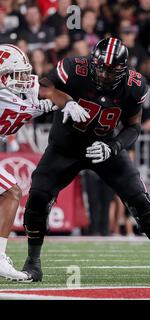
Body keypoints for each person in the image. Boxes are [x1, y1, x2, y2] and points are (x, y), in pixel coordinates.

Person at [20, 37, 150, 283]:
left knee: (140, 200)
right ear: (92, 62)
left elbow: (134, 127)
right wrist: (65, 101)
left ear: (123, 70)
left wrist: (113, 147)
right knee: (37, 196)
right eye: (99, 67)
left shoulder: (134, 85)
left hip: (104, 147)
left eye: (110, 71)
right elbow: (42, 87)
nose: (102, 74)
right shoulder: (73, 68)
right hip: (65, 147)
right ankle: (33, 261)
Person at [0, 43, 89, 281]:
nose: (23, 79)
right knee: (11, 193)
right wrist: (32, 109)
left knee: (10, 194)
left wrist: (67, 102)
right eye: (15, 74)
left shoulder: (24, 86)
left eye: (23, 73)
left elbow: (50, 92)